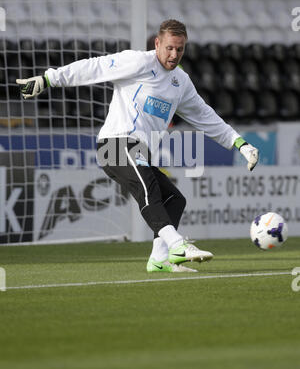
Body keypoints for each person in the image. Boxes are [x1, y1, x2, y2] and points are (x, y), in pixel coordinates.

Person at [16, 19, 259, 273]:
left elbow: (204, 115)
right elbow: (94, 67)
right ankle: (177, 245)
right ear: (157, 43)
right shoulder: (138, 62)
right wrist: (49, 79)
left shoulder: (181, 82)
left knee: (175, 199)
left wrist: (239, 143)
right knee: (149, 190)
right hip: (115, 143)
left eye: (180, 49)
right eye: (169, 48)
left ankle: (159, 258)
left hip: (137, 150)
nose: (174, 55)